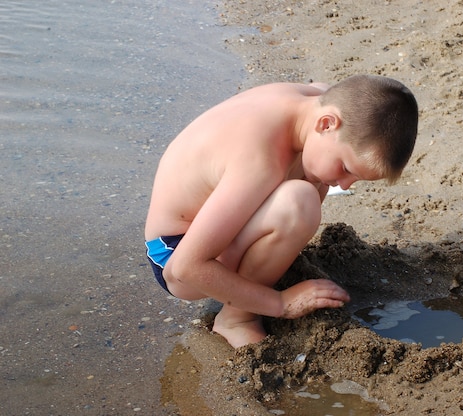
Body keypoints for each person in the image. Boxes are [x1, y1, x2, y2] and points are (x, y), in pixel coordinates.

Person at [145, 74, 418, 348]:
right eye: (346, 169)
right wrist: (279, 303)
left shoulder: (320, 101)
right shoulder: (258, 160)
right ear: (327, 124)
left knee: (315, 173)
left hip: (214, 229)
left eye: (356, 178)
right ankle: (237, 319)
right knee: (298, 202)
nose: (345, 186)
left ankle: (259, 267)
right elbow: (184, 270)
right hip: (174, 253)